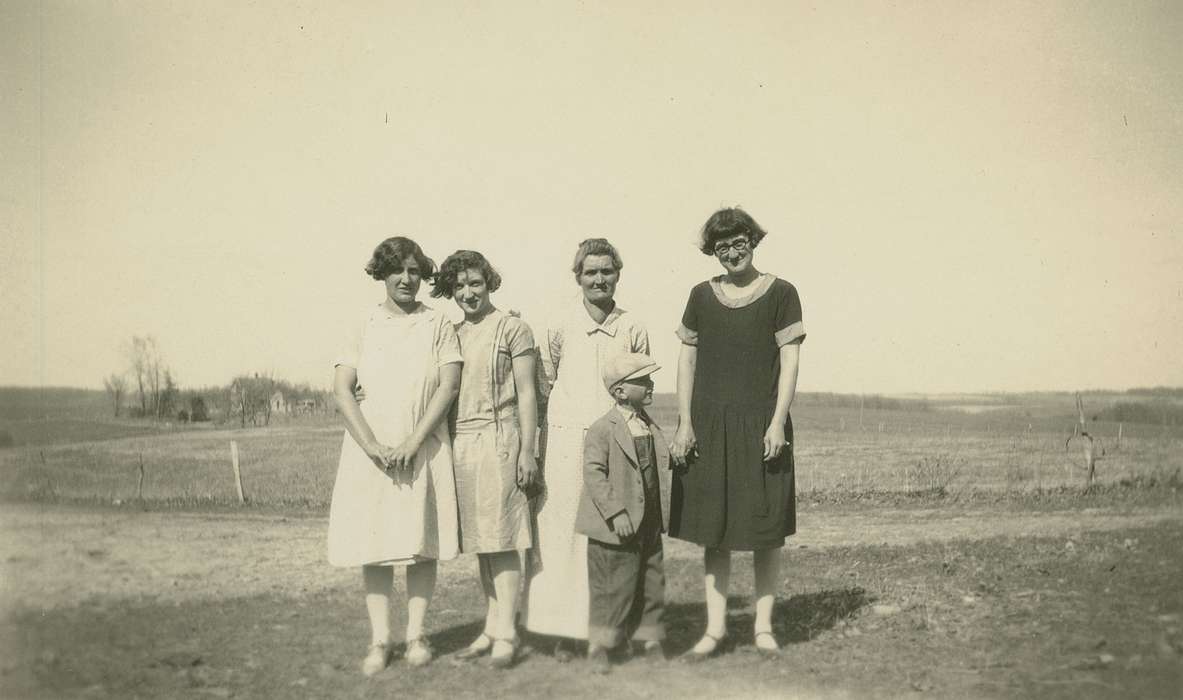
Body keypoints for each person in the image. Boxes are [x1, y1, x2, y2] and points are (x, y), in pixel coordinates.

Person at [668, 208, 805, 660]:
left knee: (766, 529)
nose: (731, 251)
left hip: (762, 426)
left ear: (753, 239)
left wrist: (776, 422)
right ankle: (715, 629)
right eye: (720, 245)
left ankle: (764, 628)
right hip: (709, 427)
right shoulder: (700, 296)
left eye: (738, 240)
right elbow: (686, 361)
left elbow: (789, 363)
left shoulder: (782, 293)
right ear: (713, 250)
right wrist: (685, 422)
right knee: (715, 531)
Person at [327, 236, 462, 675]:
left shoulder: (438, 322)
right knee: (376, 545)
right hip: (372, 453)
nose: (406, 279)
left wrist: (413, 441)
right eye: (397, 271)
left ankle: (417, 635)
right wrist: (372, 447)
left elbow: (448, 386)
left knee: (421, 544)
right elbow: (343, 389)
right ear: (381, 274)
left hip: (422, 446)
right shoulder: (362, 323)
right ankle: (380, 640)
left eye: (415, 271)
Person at [523, 238, 650, 660]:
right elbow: (547, 380)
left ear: (618, 274)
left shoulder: (632, 327)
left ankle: (607, 629)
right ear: (577, 276)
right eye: (590, 272)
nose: (599, 279)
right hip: (564, 437)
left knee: (610, 533)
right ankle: (562, 630)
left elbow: (639, 386)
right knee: (561, 533)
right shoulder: (559, 323)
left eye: (606, 271)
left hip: (615, 442)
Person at [429, 250, 539, 669]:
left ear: (489, 282)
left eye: (475, 283)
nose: (468, 292)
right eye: (458, 286)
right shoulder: (451, 333)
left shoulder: (512, 328)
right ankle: (492, 626)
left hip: (502, 438)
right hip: (461, 445)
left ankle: (509, 632)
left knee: (505, 539)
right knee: (481, 542)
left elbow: (528, 393)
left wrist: (527, 450)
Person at [576, 353, 669, 673]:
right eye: (642, 381)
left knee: (651, 579)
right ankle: (600, 644)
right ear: (619, 392)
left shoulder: (649, 424)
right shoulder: (603, 428)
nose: (651, 384)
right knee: (612, 584)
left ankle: (649, 637)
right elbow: (594, 473)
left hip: (649, 522)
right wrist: (615, 512)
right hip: (615, 526)